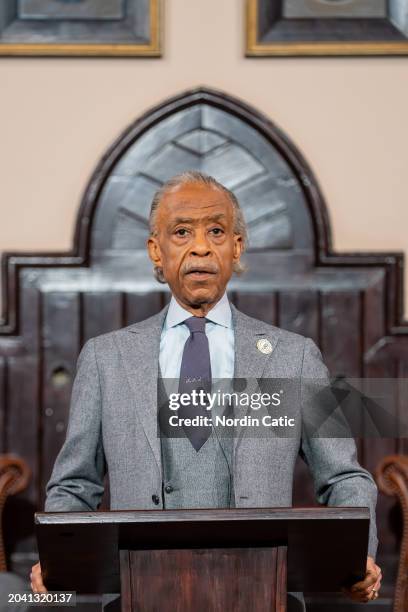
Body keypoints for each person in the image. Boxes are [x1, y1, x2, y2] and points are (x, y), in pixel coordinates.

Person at [31, 171, 382, 607]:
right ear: (156, 251)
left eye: (216, 231)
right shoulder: (107, 359)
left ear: (236, 248)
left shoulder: (294, 357)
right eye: (182, 232)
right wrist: (55, 560)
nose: (201, 247)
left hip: (263, 595)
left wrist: (359, 555)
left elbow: (344, 477)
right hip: (142, 595)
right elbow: (74, 485)